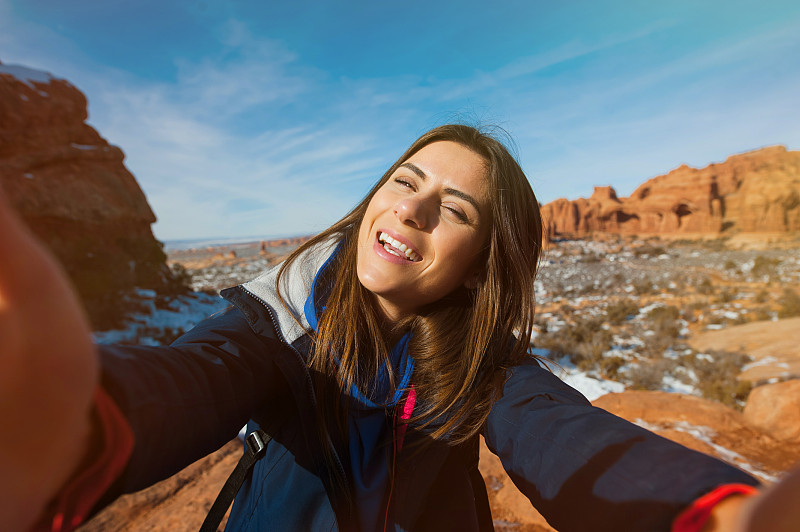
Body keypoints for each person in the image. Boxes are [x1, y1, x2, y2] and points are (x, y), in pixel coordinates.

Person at [0, 124, 797, 532]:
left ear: (480, 264)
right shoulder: (274, 320)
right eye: (405, 181)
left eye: (454, 210)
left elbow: (567, 437)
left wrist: (703, 511)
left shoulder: (486, 367)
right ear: (375, 199)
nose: (412, 207)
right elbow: (197, 374)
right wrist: (76, 423)